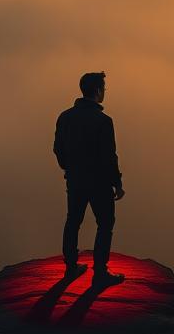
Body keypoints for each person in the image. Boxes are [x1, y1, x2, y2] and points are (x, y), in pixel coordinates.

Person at [53, 71, 126, 287]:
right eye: (104, 88)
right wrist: (117, 183)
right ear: (97, 90)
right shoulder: (103, 121)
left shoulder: (65, 117)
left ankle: (71, 267)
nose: (105, 92)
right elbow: (109, 156)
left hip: (75, 180)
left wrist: (70, 168)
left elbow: (58, 149)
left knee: (73, 221)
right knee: (105, 223)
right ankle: (100, 273)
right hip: (99, 182)